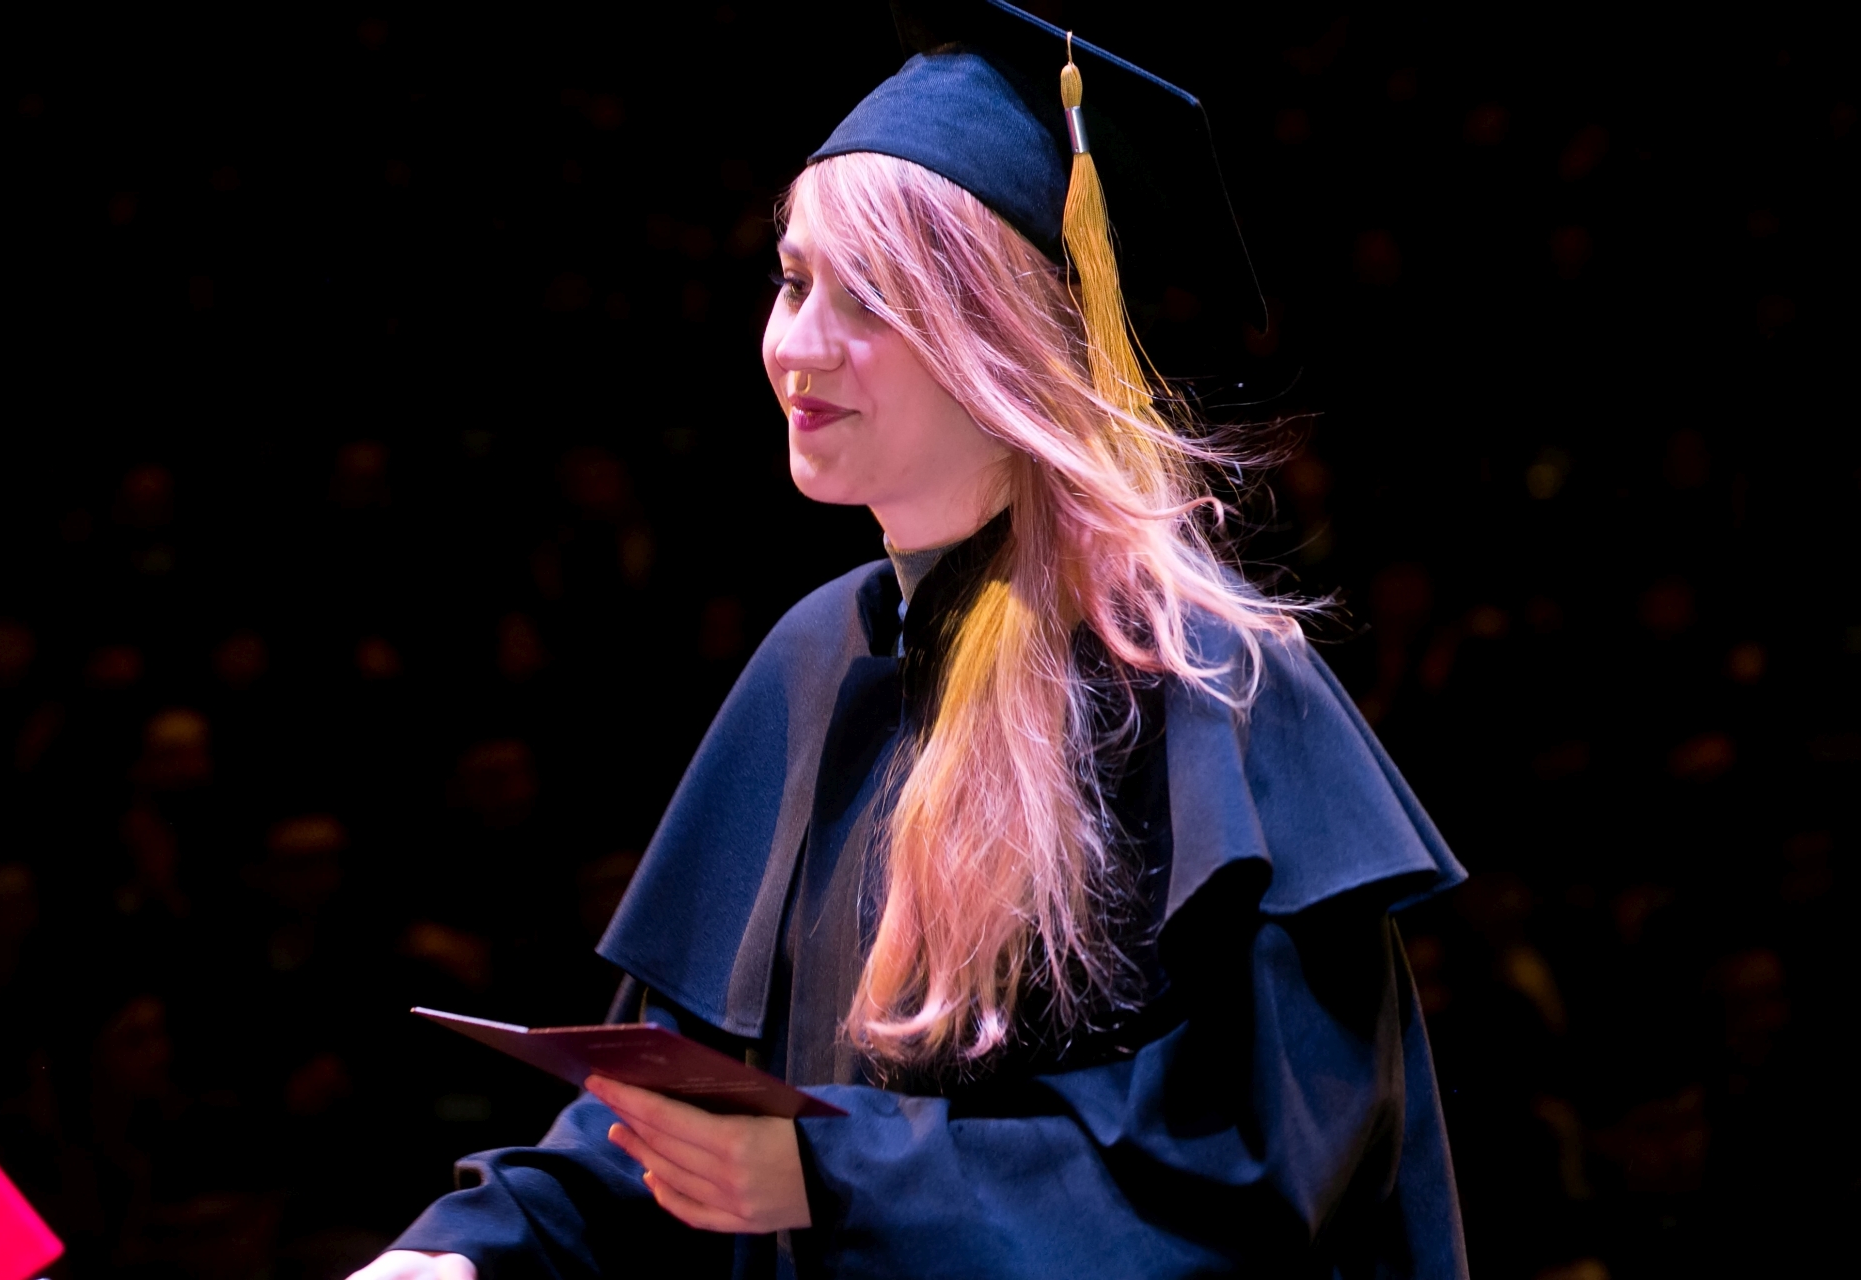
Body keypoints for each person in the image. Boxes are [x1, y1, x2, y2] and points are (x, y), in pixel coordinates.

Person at [354, 4, 1467, 1276]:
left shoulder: (1196, 678)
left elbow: (1247, 1175)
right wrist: (471, 1249)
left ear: (1000, 341)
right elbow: (672, 1117)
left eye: (869, 300)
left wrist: (832, 1174)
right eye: (793, 281)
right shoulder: (817, 659)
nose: (795, 347)